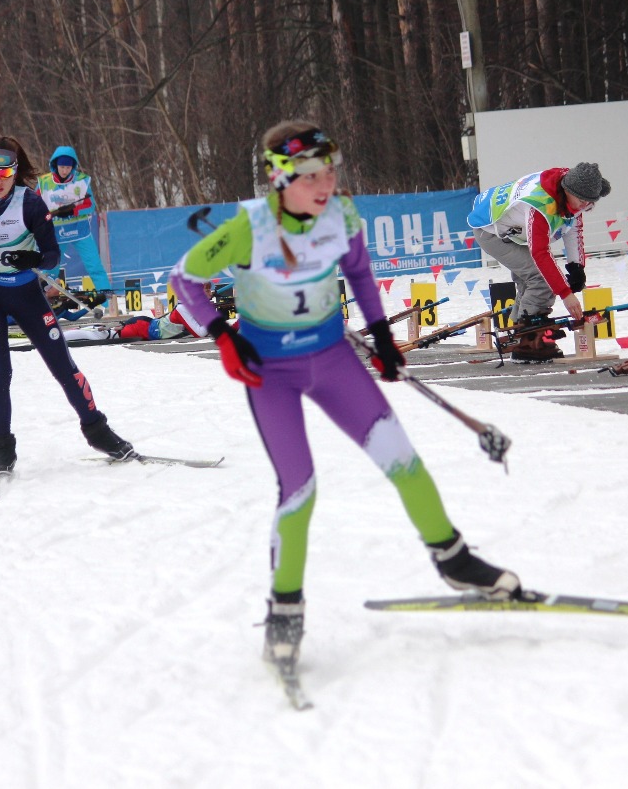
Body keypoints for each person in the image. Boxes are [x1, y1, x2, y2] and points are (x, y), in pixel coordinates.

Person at [169, 121, 519, 669]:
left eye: (330, 170)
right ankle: (285, 609)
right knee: (299, 491)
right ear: (279, 178)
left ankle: (454, 560)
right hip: (272, 375)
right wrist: (223, 335)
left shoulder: (343, 216)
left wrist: (380, 336)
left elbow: (359, 272)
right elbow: (183, 279)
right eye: (310, 174)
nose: (325, 183)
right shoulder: (247, 227)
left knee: (404, 462)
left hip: (334, 361)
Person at [0, 136, 135, 476]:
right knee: (0, 371)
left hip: (26, 295)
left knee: (64, 367)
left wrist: (33, 257)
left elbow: (51, 254)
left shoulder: (31, 204)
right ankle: (2, 452)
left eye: (6, 174)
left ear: (14, 173)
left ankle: (99, 433)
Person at [466, 162, 610, 361]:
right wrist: (565, 293)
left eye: (590, 202)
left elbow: (574, 227)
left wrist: (576, 266)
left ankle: (515, 335)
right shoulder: (541, 205)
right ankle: (527, 339)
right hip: (490, 230)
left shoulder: (574, 190)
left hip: (515, 230)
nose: (585, 206)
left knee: (529, 283)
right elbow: (540, 253)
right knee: (541, 280)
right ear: (568, 190)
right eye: (582, 200)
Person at [37, 146, 112, 293]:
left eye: (68, 167)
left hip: (79, 230)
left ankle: (107, 301)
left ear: (73, 166)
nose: (65, 170)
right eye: (62, 167)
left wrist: (73, 210)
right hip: (55, 233)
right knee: (49, 268)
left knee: (94, 265)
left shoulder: (81, 181)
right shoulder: (44, 182)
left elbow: (90, 205)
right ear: (55, 165)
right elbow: (34, 203)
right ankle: (45, 299)